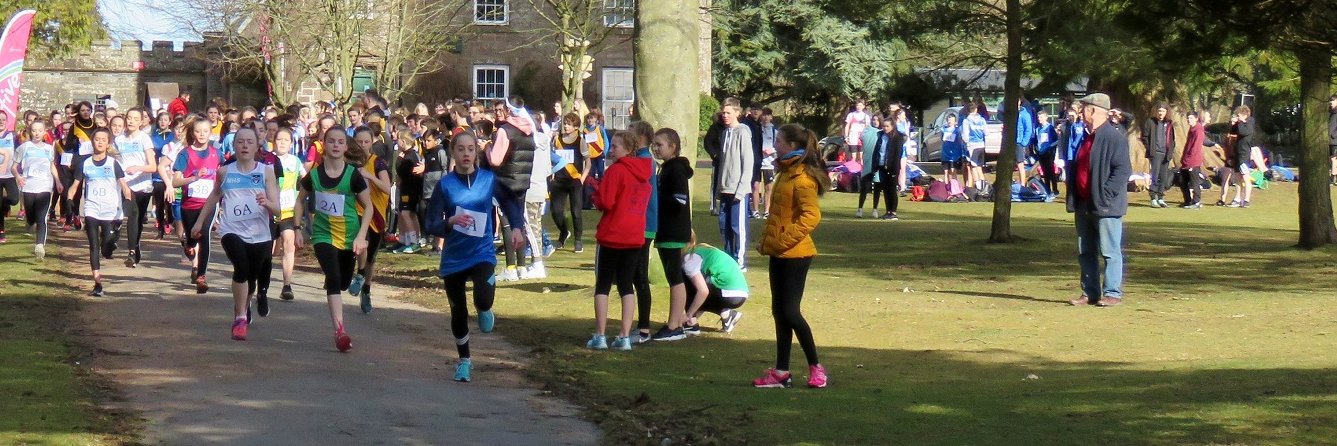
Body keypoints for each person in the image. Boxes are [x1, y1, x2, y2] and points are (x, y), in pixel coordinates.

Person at [424, 132, 526, 381]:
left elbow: (510, 202)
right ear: (454, 154)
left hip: (481, 253)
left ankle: (484, 308)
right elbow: (430, 223)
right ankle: (464, 361)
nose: (466, 154)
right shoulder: (445, 185)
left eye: (471, 149)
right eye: (461, 149)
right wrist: (450, 222)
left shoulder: (489, 179)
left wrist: (516, 227)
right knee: (458, 311)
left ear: (476, 153)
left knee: (482, 298)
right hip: (454, 257)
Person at [754, 123, 829, 389]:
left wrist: (783, 240)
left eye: (778, 140)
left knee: (790, 311)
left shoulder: (802, 178)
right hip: (780, 253)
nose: (775, 143)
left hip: (796, 254)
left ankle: (816, 367)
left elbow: (811, 217)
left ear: (791, 145)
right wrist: (769, 242)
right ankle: (781, 371)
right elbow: (778, 215)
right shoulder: (784, 173)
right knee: (779, 312)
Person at [191, 127, 280, 340]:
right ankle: (240, 317)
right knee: (241, 266)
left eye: (250, 142)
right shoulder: (224, 172)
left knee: (252, 275)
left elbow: (277, 209)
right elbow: (214, 197)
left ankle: (245, 303)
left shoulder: (266, 171)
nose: (245, 146)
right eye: (240, 142)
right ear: (234, 145)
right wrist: (200, 222)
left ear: (258, 145)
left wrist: (266, 203)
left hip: (259, 234)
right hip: (231, 230)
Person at [294, 126, 373, 352]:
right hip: (323, 235)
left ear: (346, 147)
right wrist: (297, 228)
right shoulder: (315, 175)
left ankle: (344, 286)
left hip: (349, 237)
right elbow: (300, 200)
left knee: (344, 281)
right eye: (331, 141)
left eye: (340, 142)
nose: (336, 145)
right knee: (334, 277)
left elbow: (368, 207)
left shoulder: (353, 176)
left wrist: (361, 236)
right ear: (324, 145)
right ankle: (340, 331)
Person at [587, 131, 652, 351]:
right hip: (634, 235)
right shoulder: (644, 173)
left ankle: (601, 334)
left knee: (603, 284)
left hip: (613, 234)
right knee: (627, 285)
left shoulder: (616, 171)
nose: (610, 150)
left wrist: (595, 191)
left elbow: (606, 201)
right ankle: (624, 336)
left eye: (614, 146)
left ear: (627, 149)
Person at [1067, 93, 1131, 308]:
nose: (1081, 112)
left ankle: (1112, 293)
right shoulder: (1087, 137)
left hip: (1105, 206)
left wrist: (1105, 194)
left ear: (1093, 110)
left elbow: (1122, 170)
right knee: (1085, 251)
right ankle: (1089, 292)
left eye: (1084, 108)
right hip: (1084, 204)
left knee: (1110, 251)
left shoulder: (1114, 138)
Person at [68, 127, 132, 297]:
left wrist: (128, 203)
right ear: (92, 141)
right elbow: (74, 186)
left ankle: (111, 241)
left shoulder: (113, 163)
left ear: (108, 143)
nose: (100, 142)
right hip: (92, 209)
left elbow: (125, 186)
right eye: (97, 139)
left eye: (104, 139)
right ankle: (97, 283)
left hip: (111, 211)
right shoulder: (85, 163)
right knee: (94, 246)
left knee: (106, 248)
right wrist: (68, 202)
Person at [173, 116, 224, 293]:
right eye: (198, 131)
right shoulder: (185, 154)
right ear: (192, 133)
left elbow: (223, 175)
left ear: (211, 133)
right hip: (189, 204)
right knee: (192, 236)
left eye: (205, 131)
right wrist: (194, 177)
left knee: (204, 236)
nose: (202, 134)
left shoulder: (217, 153)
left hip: (209, 203)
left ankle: (201, 276)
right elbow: (175, 182)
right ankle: (188, 245)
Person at [487, 99, 535, 282]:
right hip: (522, 182)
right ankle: (522, 266)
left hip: (506, 182)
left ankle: (511, 267)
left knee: (506, 224)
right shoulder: (529, 130)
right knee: (519, 223)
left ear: (508, 111)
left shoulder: (504, 131)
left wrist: (487, 148)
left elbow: (496, 160)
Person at [345, 126, 392, 314]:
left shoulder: (378, 162)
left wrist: (369, 176)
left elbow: (387, 189)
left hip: (377, 214)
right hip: (356, 210)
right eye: (359, 142)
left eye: (366, 141)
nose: (363, 145)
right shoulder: (349, 163)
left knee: (371, 258)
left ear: (372, 142)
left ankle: (366, 288)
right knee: (359, 244)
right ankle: (359, 274)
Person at [626, 121, 660, 343]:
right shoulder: (641, 159)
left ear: (641, 137)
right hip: (641, 224)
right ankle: (640, 325)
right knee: (634, 274)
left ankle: (644, 327)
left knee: (639, 274)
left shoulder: (644, 161)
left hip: (644, 225)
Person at [14, 119, 62, 259]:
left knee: (41, 218)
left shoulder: (48, 148)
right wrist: (18, 176)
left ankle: (39, 245)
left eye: (40, 130)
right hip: (28, 186)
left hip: (45, 186)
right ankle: (29, 222)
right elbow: (14, 166)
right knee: (31, 216)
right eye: (34, 130)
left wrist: (58, 181)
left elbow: (52, 165)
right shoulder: (24, 147)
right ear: (30, 131)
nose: (37, 133)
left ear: (44, 132)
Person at [116, 108, 158, 267]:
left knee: (139, 219)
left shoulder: (144, 139)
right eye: (129, 118)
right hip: (126, 184)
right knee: (132, 214)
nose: (131, 121)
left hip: (143, 185)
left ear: (141, 122)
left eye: (135, 118)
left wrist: (137, 168)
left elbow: (153, 166)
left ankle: (136, 245)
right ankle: (131, 252)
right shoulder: (119, 139)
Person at [717, 98, 755, 269]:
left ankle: (740, 262)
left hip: (738, 190)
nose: (725, 116)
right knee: (724, 227)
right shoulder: (725, 133)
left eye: (728, 113)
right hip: (724, 189)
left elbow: (748, 163)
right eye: (723, 113)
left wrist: (741, 190)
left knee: (737, 227)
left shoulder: (743, 132)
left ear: (737, 113)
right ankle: (728, 259)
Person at [682, 235, 747, 334]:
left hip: (728, 292)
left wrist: (688, 315)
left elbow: (703, 291)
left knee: (689, 279)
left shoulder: (689, 258)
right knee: (697, 281)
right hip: (741, 293)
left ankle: (690, 323)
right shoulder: (701, 249)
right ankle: (726, 314)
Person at [272, 127, 305, 300]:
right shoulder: (267, 160)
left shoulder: (295, 161)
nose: (283, 143)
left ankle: (287, 285)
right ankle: (261, 281)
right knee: (271, 250)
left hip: (289, 209)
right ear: (274, 141)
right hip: (269, 211)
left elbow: (306, 180)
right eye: (279, 139)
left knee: (288, 243)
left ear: (291, 144)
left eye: (286, 140)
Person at [550, 112, 587, 252]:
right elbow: (553, 158)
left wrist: (582, 178)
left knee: (576, 211)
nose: (566, 126)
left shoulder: (580, 141)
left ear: (576, 127)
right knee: (555, 211)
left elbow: (587, 163)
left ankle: (578, 240)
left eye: (569, 124)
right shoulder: (557, 140)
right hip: (559, 181)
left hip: (574, 181)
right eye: (565, 123)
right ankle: (564, 232)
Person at [393, 128, 424, 254]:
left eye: (398, 139)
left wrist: (399, 161)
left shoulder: (409, 156)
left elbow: (402, 171)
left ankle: (414, 241)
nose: (397, 141)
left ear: (403, 141)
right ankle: (404, 240)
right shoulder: (407, 154)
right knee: (403, 213)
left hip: (410, 189)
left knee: (407, 213)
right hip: (406, 187)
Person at [1141, 103, 1176, 208]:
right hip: (1155, 153)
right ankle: (1153, 198)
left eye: (1163, 111)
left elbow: (1172, 139)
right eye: (1159, 111)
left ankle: (1161, 198)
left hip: (1166, 154)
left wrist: (1170, 151)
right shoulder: (1150, 122)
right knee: (1155, 176)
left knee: (1163, 177)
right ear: (1156, 112)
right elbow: (1145, 136)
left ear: (1166, 112)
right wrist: (1150, 148)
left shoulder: (1169, 124)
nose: (1161, 113)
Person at [871, 118, 906, 221]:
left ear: (892, 126)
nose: (885, 128)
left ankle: (893, 212)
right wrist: (875, 166)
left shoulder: (897, 137)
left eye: (887, 126)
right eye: (884, 126)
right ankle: (888, 211)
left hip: (892, 167)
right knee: (885, 190)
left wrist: (895, 170)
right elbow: (877, 151)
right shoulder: (881, 136)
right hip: (881, 166)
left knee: (891, 189)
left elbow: (897, 155)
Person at [150, 112, 176, 238]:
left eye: (166, 120)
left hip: (172, 173)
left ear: (170, 122)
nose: (163, 122)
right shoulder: (152, 137)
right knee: (159, 201)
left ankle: (170, 220)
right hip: (158, 172)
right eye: (161, 120)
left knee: (170, 201)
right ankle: (160, 227)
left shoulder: (174, 136)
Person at [1229, 106, 1257, 208]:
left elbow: (1242, 132)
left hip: (1244, 156)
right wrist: (1234, 123)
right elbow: (1232, 132)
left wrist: (1240, 122)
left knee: (1246, 178)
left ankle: (1246, 200)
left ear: (1244, 115)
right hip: (1237, 154)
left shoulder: (1249, 125)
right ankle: (1237, 198)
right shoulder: (1240, 124)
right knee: (1237, 178)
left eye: (1239, 115)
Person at [856, 114, 883, 218]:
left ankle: (875, 209)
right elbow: (862, 137)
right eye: (874, 119)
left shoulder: (882, 133)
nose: (875, 121)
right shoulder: (867, 130)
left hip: (878, 163)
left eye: (877, 120)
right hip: (868, 162)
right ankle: (860, 209)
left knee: (877, 187)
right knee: (864, 187)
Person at [1179, 112, 1207, 209]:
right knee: (1182, 181)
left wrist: (1190, 161)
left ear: (1196, 118)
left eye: (1191, 118)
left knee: (1194, 182)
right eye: (1188, 118)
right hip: (1186, 161)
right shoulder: (1191, 129)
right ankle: (1188, 201)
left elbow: (1195, 147)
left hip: (1193, 162)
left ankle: (1196, 201)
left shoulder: (1198, 130)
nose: (1189, 120)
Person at [962, 105, 988, 190]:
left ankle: (978, 186)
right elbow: (986, 132)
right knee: (979, 166)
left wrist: (966, 142)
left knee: (973, 166)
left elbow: (965, 135)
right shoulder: (982, 119)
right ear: (976, 109)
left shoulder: (967, 120)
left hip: (972, 145)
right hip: (981, 145)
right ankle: (985, 186)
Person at [1034, 110, 1060, 198]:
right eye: (1038, 117)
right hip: (1041, 152)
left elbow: (1056, 140)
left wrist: (1050, 148)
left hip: (1049, 152)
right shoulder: (1037, 129)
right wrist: (1036, 149)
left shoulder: (1050, 128)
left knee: (1051, 171)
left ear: (1046, 117)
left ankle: (1055, 189)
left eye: (1041, 117)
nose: (1039, 119)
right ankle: (1047, 189)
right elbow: (1036, 140)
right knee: (1045, 172)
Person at [0, 111, 17, 243]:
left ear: (7, 121)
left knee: (14, 199)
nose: (1, 122)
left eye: (3, 119)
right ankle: (1, 231)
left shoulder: (13, 136)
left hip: (9, 174)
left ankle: (6, 204)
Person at [940, 113, 965, 194]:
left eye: (952, 120)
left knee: (953, 172)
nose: (950, 122)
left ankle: (955, 189)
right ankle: (947, 189)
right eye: (949, 120)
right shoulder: (943, 130)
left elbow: (960, 141)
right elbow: (942, 139)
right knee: (946, 172)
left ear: (955, 122)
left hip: (954, 155)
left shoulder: (957, 131)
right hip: (945, 155)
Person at [843, 100, 870, 164]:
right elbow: (847, 126)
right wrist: (846, 137)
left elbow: (867, 128)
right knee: (853, 156)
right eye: (857, 105)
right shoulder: (851, 115)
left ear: (863, 106)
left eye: (860, 105)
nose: (858, 107)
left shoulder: (866, 116)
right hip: (852, 136)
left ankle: (862, 170)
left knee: (861, 156)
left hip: (862, 137)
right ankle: (853, 169)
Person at [1329, 95, 1337, 186]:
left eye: (1333, 101)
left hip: (1335, 140)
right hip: (1330, 140)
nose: (1331, 103)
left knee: (1334, 159)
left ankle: (1333, 178)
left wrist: (1334, 135)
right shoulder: (1331, 113)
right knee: (1331, 159)